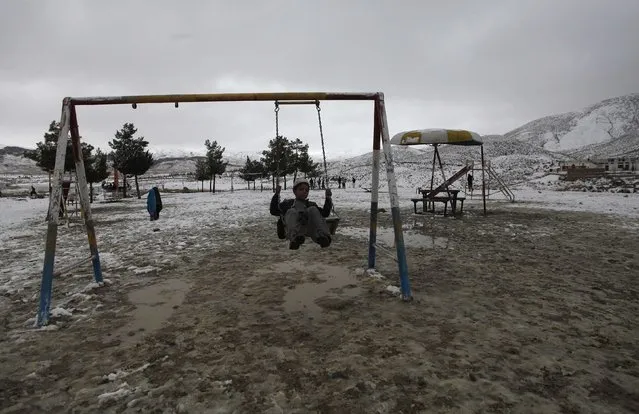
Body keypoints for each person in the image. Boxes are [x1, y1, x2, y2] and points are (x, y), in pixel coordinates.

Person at [270, 178, 333, 250]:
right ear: (294, 191)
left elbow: (325, 213)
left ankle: (323, 237)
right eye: (301, 189)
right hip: (293, 228)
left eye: (306, 190)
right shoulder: (287, 204)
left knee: (313, 210)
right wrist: (276, 194)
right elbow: (274, 211)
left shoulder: (311, 205)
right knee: (292, 211)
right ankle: (295, 239)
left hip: (309, 228)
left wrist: (328, 198)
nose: (304, 192)